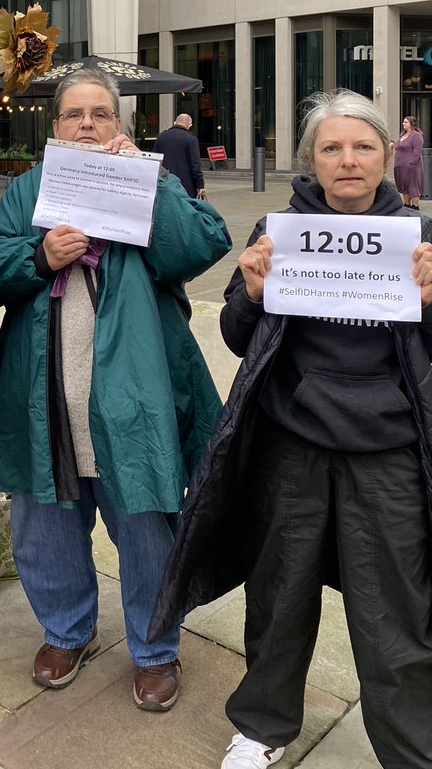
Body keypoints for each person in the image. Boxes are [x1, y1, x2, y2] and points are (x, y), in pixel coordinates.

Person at [148, 89, 432, 769]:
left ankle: (412, 746)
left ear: (388, 155)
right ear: (311, 158)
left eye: (363, 146)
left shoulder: (419, 240)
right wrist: (247, 291)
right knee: (278, 594)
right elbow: (239, 338)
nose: (348, 160)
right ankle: (264, 724)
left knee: (397, 611)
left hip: (387, 450)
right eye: (332, 147)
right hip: (291, 443)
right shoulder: (279, 229)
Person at [0, 68, 231, 712]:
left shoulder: (149, 179)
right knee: (42, 523)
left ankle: (155, 646)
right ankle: (65, 630)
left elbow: (201, 244)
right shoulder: (27, 189)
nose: (87, 124)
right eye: (74, 114)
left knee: (145, 521)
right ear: (53, 128)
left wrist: (152, 181)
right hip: (44, 392)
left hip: (133, 392)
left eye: (101, 114)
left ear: (122, 125)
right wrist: (38, 255)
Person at [153, 113, 206, 199]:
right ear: (189, 125)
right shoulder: (191, 139)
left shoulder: (161, 137)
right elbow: (195, 164)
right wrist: (200, 185)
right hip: (185, 185)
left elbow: (155, 160)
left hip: (164, 182)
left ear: (174, 123)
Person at [395, 114, 424, 208]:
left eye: (406, 122)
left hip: (411, 167)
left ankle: (415, 207)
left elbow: (417, 152)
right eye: (403, 122)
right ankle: (406, 205)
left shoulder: (416, 136)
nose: (403, 124)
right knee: (405, 187)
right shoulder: (403, 135)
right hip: (401, 167)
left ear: (412, 123)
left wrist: (412, 163)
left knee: (413, 186)